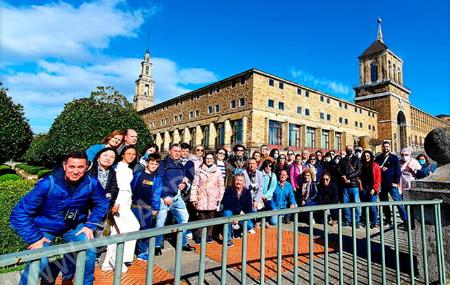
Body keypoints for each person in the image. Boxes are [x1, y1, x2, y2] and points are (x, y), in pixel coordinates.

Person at [10, 151, 109, 285]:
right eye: (71, 167)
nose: (75, 171)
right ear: (64, 166)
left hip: (73, 225)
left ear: (87, 167)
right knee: (39, 259)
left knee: (89, 251)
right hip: (45, 226)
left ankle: (82, 281)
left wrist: (90, 224)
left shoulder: (92, 183)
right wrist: (34, 238)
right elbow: (19, 213)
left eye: (80, 167)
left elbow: (102, 203)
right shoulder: (47, 184)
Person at [102, 145, 140, 273]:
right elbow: (116, 186)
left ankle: (107, 262)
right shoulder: (118, 167)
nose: (131, 156)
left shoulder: (128, 169)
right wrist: (116, 202)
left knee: (116, 232)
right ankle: (120, 259)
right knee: (133, 227)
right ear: (122, 154)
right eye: (128, 153)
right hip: (119, 201)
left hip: (126, 200)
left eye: (133, 154)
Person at [155, 143, 195, 254]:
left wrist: (184, 186)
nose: (177, 153)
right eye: (175, 151)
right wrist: (164, 196)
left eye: (179, 151)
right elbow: (158, 181)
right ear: (170, 152)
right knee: (160, 222)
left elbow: (184, 181)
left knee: (184, 219)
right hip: (164, 198)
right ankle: (157, 245)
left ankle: (182, 243)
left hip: (177, 197)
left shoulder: (181, 165)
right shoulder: (163, 164)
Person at [130, 153, 162, 260]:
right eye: (151, 163)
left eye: (156, 164)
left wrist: (155, 208)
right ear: (147, 163)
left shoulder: (157, 178)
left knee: (145, 229)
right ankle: (128, 252)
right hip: (134, 206)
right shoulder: (138, 174)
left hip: (147, 208)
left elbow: (156, 194)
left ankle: (142, 251)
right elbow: (132, 188)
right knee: (132, 229)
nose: (153, 166)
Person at [190, 152, 225, 244]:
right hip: (201, 197)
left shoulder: (218, 171)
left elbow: (221, 185)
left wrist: (220, 197)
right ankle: (200, 236)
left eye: (211, 158)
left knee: (211, 218)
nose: (209, 160)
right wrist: (193, 198)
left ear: (214, 160)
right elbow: (195, 184)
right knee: (201, 217)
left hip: (213, 197)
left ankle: (209, 235)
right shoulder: (199, 170)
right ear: (205, 160)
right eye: (207, 158)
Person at [375, 141, 407, 226]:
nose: (386, 148)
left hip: (392, 183)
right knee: (384, 203)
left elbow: (397, 171)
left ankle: (405, 220)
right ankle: (388, 219)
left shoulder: (394, 158)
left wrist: (396, 182)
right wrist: (380, 169)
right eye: (384, 146)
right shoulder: (378, 158)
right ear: (382, 147)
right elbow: (375, 169)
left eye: (387, 146)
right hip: (382, 183)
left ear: (389, 147)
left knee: (398, 202)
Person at [222, 174, 255, 247]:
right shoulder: (229, 191)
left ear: (243, 182)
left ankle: (237, 229)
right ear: (234, 181)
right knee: (227, 213)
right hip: (231, 214)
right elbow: (227, 204)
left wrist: (241, 216)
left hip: (242, 215)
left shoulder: (247, 192)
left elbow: (249, 207)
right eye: (237, 180)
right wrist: (238, 211)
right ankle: (227, 239)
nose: (238, 182)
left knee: (250, 225)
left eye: (240, 180)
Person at [339, 145, 362, 227]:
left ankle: (356, 221)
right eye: (348, 149)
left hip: (354, 185)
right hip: (345, 185)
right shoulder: (342, 160)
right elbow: (339, 170)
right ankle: (347, 220)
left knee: (356, 203)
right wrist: (343, 177)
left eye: (350, 149)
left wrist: (348, 177)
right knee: (346, 203)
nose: (349, 150)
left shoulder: (357, 160)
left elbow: (359, 171)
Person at [360, 150, 381, 228]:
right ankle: (366, 221)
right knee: (365, 206)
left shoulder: (375, 165)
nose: (366, 157)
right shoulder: (361, 165)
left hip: (372, 188)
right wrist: (361, 188)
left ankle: (374, 221)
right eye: (365, 156)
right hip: (364, 188)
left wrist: (374, 188)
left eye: (368, 156)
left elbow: (378, 178)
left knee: (372, 205)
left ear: (371, 156)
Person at [260, 160, 278, 224]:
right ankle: (258, 221)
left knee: (274, 221)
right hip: (259, 197)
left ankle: (266, 221)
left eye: (270, 166)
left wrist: (266, 196)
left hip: (268, 198)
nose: (268, 167)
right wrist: (261, 195)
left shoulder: (273, 176)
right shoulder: (259, 174)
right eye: (266, 166)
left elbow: (272, 188)